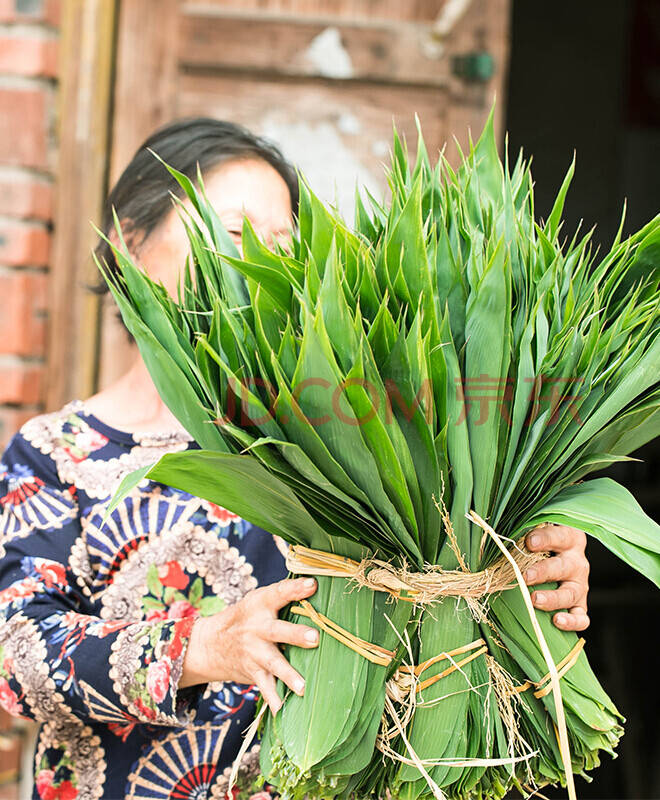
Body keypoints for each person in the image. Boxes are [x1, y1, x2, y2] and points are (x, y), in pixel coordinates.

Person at [0, 118, 591, 800]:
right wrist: (205, 647)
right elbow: (15, 656)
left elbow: (437, 603)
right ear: (132, 245)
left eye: (278, 245)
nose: (254, 263)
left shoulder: (347, 445)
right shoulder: (56, 456)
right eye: (228, 232)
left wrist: (521, 576)